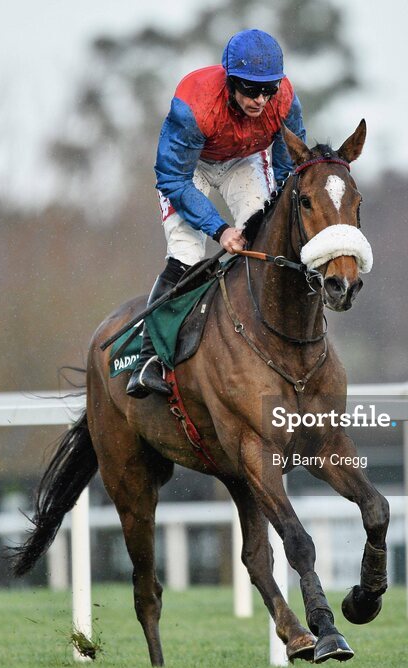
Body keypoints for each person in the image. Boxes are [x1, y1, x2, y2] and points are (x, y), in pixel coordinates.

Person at [127, 28, 307, 399]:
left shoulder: (286, 101)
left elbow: (289, 169)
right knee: (188, 255)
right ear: (230, 81)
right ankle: (149, 359)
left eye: (268, 89)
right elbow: (172, 178)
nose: (260, 100)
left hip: (242, 163)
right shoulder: (193, 106)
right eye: (250, 88)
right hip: (188, 171)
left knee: (265, 235)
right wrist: (219, 229)